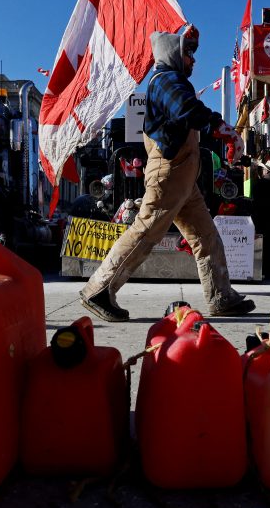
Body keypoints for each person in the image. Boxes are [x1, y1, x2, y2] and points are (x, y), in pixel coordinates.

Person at [79, 24, 256, 322]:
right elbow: (187, 109)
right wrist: (223, 129)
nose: (193, 60)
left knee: (206, 236)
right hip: (170, 173)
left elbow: (187, 113)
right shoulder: (166, 80)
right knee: (145, 230)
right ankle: (99, 289)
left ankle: (221, 297)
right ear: (173, 54)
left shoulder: (169, 81)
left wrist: (221, 131)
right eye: (188, 53)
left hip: (183, 178)